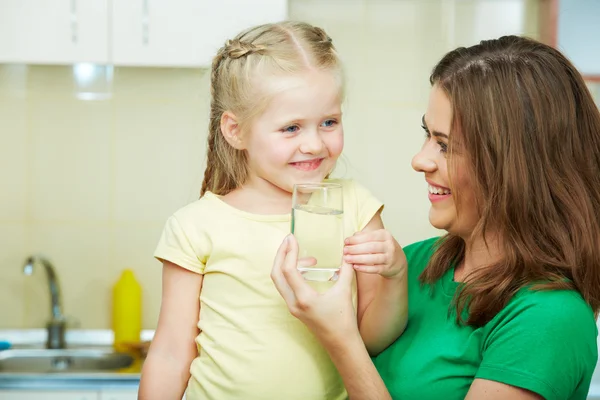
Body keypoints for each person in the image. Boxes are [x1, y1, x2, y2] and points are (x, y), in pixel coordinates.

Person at [272, 35, 600, 400]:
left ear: (515, 168)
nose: (420, 160)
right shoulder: (409, 265)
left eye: (444, 145)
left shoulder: (549, 318)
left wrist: (341, 340)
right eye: (427, 135)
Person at [138, 21, 408, 400]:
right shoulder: (196, 225)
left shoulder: (355, 208)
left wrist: (396, 274)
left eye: (329, 122)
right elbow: (169, 354)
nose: (314, 144)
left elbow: (371, 339)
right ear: (236, 131)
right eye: (291, 128)